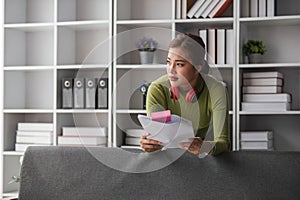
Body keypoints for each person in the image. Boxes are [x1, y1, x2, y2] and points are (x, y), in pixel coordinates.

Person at [139, 33, 230, 156]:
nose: (171, 69)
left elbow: (223, 143)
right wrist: (150, 144)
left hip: (204, 159)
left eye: (180, 64)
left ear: (197, 67)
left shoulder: (216, 90)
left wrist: (204, 146)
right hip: (169, 159)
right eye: (168, 62)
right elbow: (158, 140)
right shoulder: (157, 89)